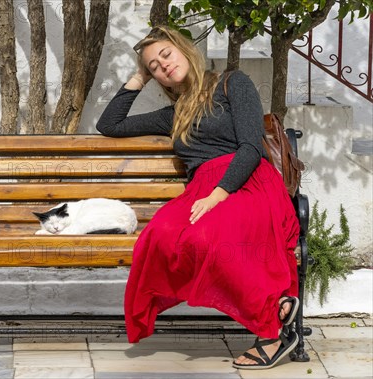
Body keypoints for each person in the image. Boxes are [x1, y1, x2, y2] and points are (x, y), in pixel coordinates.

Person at [96, 26, 301, 370]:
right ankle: (278, 304)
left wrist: (219, 193)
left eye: (166, 55)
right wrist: (137, 77)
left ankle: (272, 331)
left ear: (182, 49)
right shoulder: (173, 115)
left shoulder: (232, 84)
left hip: (246, 181)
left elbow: (251, 146)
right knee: (159, 234)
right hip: (200, 191)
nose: (163, 66)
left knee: (208, 236)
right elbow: (110, 124)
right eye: (154, 66)